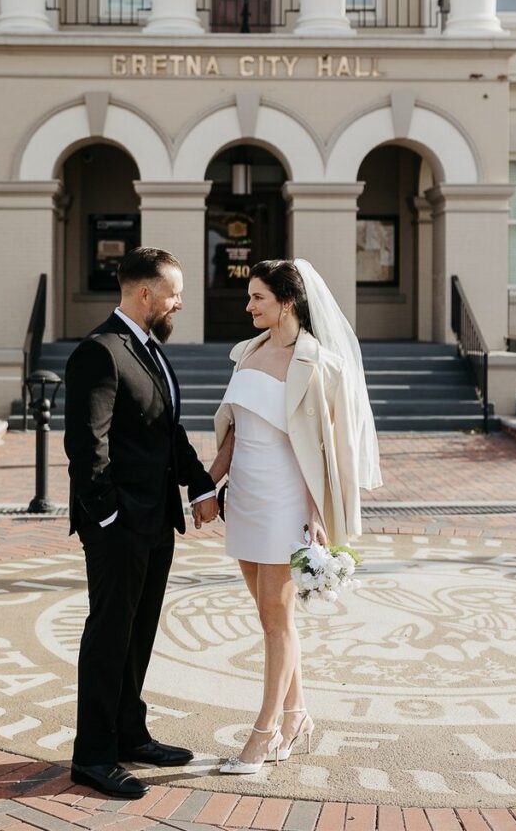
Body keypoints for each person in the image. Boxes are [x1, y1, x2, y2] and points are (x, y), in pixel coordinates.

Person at [209, 258, 382, 774]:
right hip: (243, 497)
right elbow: (233, 431)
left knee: (274, 622)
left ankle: (262, 735)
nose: (248, 306)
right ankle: (297, 716)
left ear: (287, 301)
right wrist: (207, 484)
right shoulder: (246, 353)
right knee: (272, 619)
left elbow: (334, 451)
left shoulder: (321, 365)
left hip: (288, 503)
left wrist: (320, 518)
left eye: (258, 297)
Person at [64, 247, 218, 800]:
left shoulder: (150, 350)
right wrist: (107, 517)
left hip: (156, 522)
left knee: (139, 633)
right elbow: (86, 447)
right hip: (119, 526)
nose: (180, 302)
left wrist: (199, 482)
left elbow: (165, 432)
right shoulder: (100, 352)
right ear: (145, 294)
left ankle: (130, 734)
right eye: (174, 293)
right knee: (109, 635)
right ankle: (93, 756)